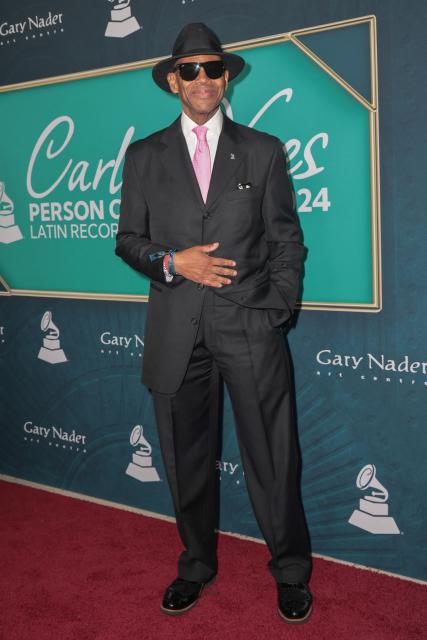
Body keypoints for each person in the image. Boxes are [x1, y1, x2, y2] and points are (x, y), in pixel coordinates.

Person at [115, 22, 313, 624]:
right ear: (174, 80)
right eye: (190, 70)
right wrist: (174, 262)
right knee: (185, 460)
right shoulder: (145, 156)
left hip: (251, 327)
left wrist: (276, 310)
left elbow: (287, 242)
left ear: (225, 77)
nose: (202, 79)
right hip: (178, 332)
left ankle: (290, 572)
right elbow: (128, 241)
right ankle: (196, 565)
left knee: (273, 459)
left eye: (212, 68)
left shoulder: (263, 150)